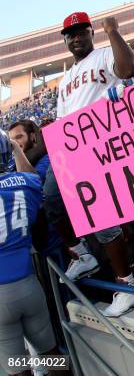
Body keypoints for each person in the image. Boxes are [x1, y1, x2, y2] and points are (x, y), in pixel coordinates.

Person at [47, 11, 134, 317]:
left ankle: (127, 285)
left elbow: (128, 69)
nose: (76, 38)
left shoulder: (104, 54)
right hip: (72, 146)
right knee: (51, 197)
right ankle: (82, 255)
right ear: (65, 40)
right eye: (70, 35)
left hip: (101, 143)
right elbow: (62, 121)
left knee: (102, 218)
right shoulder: (63, 82)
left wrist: (113, 32)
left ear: (91, 32)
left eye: (81, 32)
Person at [0, 131, 70, 376]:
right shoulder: (23, 183)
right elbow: (31, 177)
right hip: (30, 285)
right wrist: (16, 149)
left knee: (18, 369)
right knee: (51, 354)